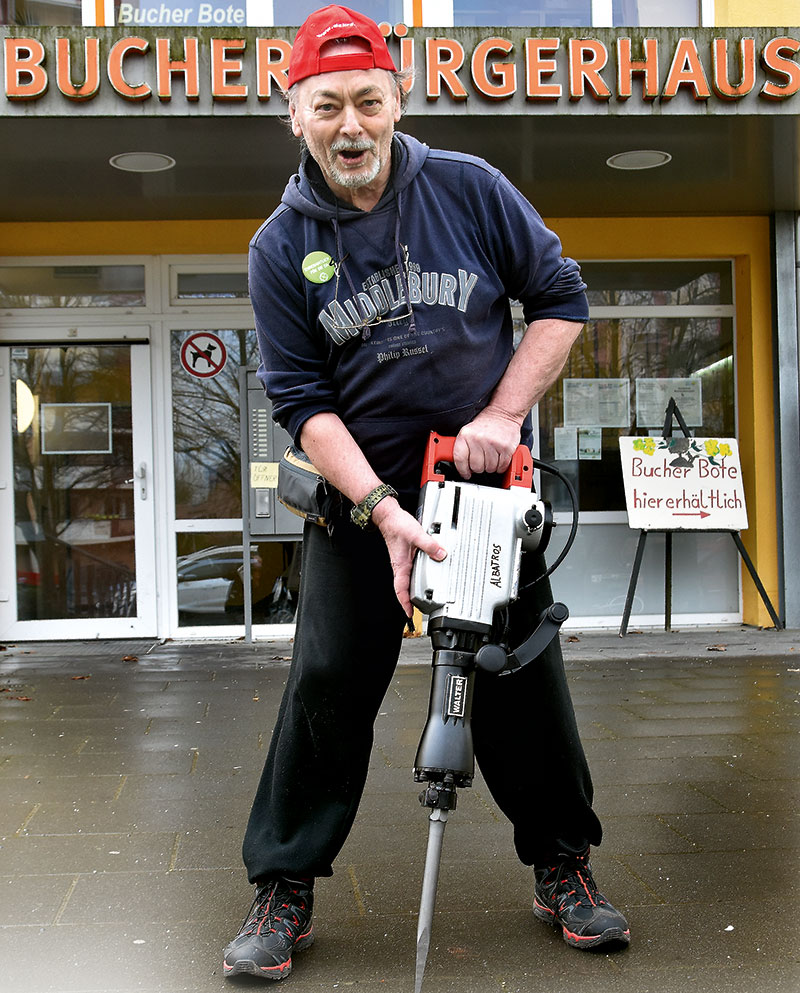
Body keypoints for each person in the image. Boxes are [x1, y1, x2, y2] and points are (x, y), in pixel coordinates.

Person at [223, 5, 630, 981]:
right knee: (326, 691)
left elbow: (560, 302)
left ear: (398, 97)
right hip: (356, 504)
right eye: (328, 105)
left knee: (519, 684)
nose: (350, 125)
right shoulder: (281, 247)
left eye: (368, 100)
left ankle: (560, 867)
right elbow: (301, 401)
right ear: (294, 113)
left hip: (478, 491)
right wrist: (378, 510)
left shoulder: (469, 190)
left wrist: (498, 418)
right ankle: (284, 885)